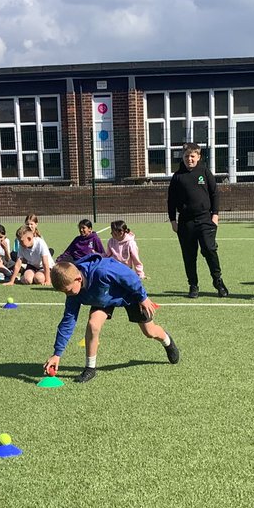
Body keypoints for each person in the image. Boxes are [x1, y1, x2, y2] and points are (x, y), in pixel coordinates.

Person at [44, 255, 180, 384]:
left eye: (68, 290)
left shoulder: (103, 271)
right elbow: (68, 322)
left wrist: (143, 297)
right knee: (93, 325)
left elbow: (130, 276)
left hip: (130, 295)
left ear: (78, 279)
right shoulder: (73, 292)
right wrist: (57, 354)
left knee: (150, 332)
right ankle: (90, 368)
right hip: (102, 299)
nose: (67, 295)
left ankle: (167, 341)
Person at [167, 142, 228, 298]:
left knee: (209, 249)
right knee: (189, 255)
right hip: (185, 222)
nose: (189, 159)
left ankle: (218, 281)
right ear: (183, 157)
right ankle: (193, 285)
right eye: (187, 156)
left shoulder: (205, 172)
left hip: (205, 219)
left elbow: (214, 193)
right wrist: (173, 220)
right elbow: (171, 200)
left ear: (198, 156)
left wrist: (215, 214)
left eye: (192, 156)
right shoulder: (177, 177)